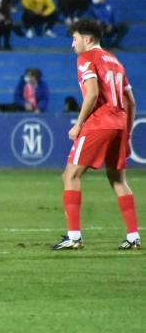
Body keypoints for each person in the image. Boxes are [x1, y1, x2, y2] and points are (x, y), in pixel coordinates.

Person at [52, 19, 140, 250]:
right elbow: (131, 101)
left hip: (100, 122)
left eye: (75, 38)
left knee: (70, 176)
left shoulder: (86, 58)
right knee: (118, 180)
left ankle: (73, 237)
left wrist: (78, 124)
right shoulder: (115, 61)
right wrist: (127, 133)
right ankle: (133, 236)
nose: (72, 44)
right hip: (119, 123)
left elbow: (91, 94)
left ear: (87, 39)